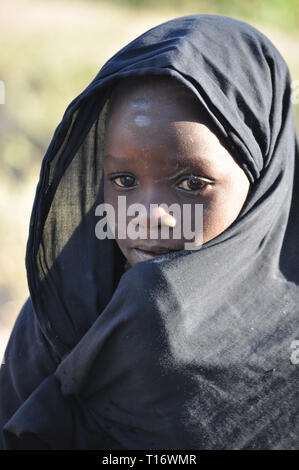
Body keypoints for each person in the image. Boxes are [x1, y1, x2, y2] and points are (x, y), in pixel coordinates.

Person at [0, 14, 298, 450]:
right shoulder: (61, 318)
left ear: (263, 184)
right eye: (123, 181)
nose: (149, 215)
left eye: (192, 184)